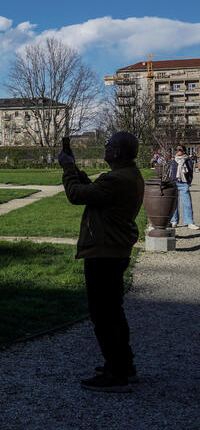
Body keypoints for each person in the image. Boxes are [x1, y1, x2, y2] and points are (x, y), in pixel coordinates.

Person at [59, 131, 144, 393]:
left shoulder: (117, 179)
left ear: (116, 153)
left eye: (108, 145)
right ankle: (124, 365)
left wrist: (69, 167)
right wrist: (78, 172)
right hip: (114, 250)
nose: (104, 148)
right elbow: (94, 192)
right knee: (113, 311)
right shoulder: (128, 175)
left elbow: (75, 194)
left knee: (103, 314)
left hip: (104, 252)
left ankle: (116, 373)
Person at [168, 144, 199, 229]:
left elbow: (190, 172)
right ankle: (174, 221)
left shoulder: (187, 160)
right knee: (174, 204)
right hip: (174, 183)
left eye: (180, 150)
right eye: (176, 149)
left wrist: (188, 182)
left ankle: (189, 222)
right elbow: (171, 172)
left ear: (184, 151)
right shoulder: (174, 160)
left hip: (184, 184)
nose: (177, 151)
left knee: (187, 204)